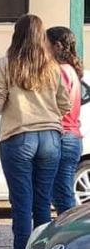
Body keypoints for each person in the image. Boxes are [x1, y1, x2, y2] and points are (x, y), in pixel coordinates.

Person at [0, 14, 71, 249]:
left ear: (16, 34)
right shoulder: (52, 66)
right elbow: (65, 104)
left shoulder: (4, 65)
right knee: (43, 203)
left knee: (21, 203)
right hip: (50, 137)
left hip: (18, 136)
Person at [47, 26, 82, 214]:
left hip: (64, 135)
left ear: (57, 46)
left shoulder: (59, 71)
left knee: (62, 195)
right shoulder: (71, 70)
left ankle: (71, 235)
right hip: (72, 135)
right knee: (63, 191)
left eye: (46, 44)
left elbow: (55, 104)